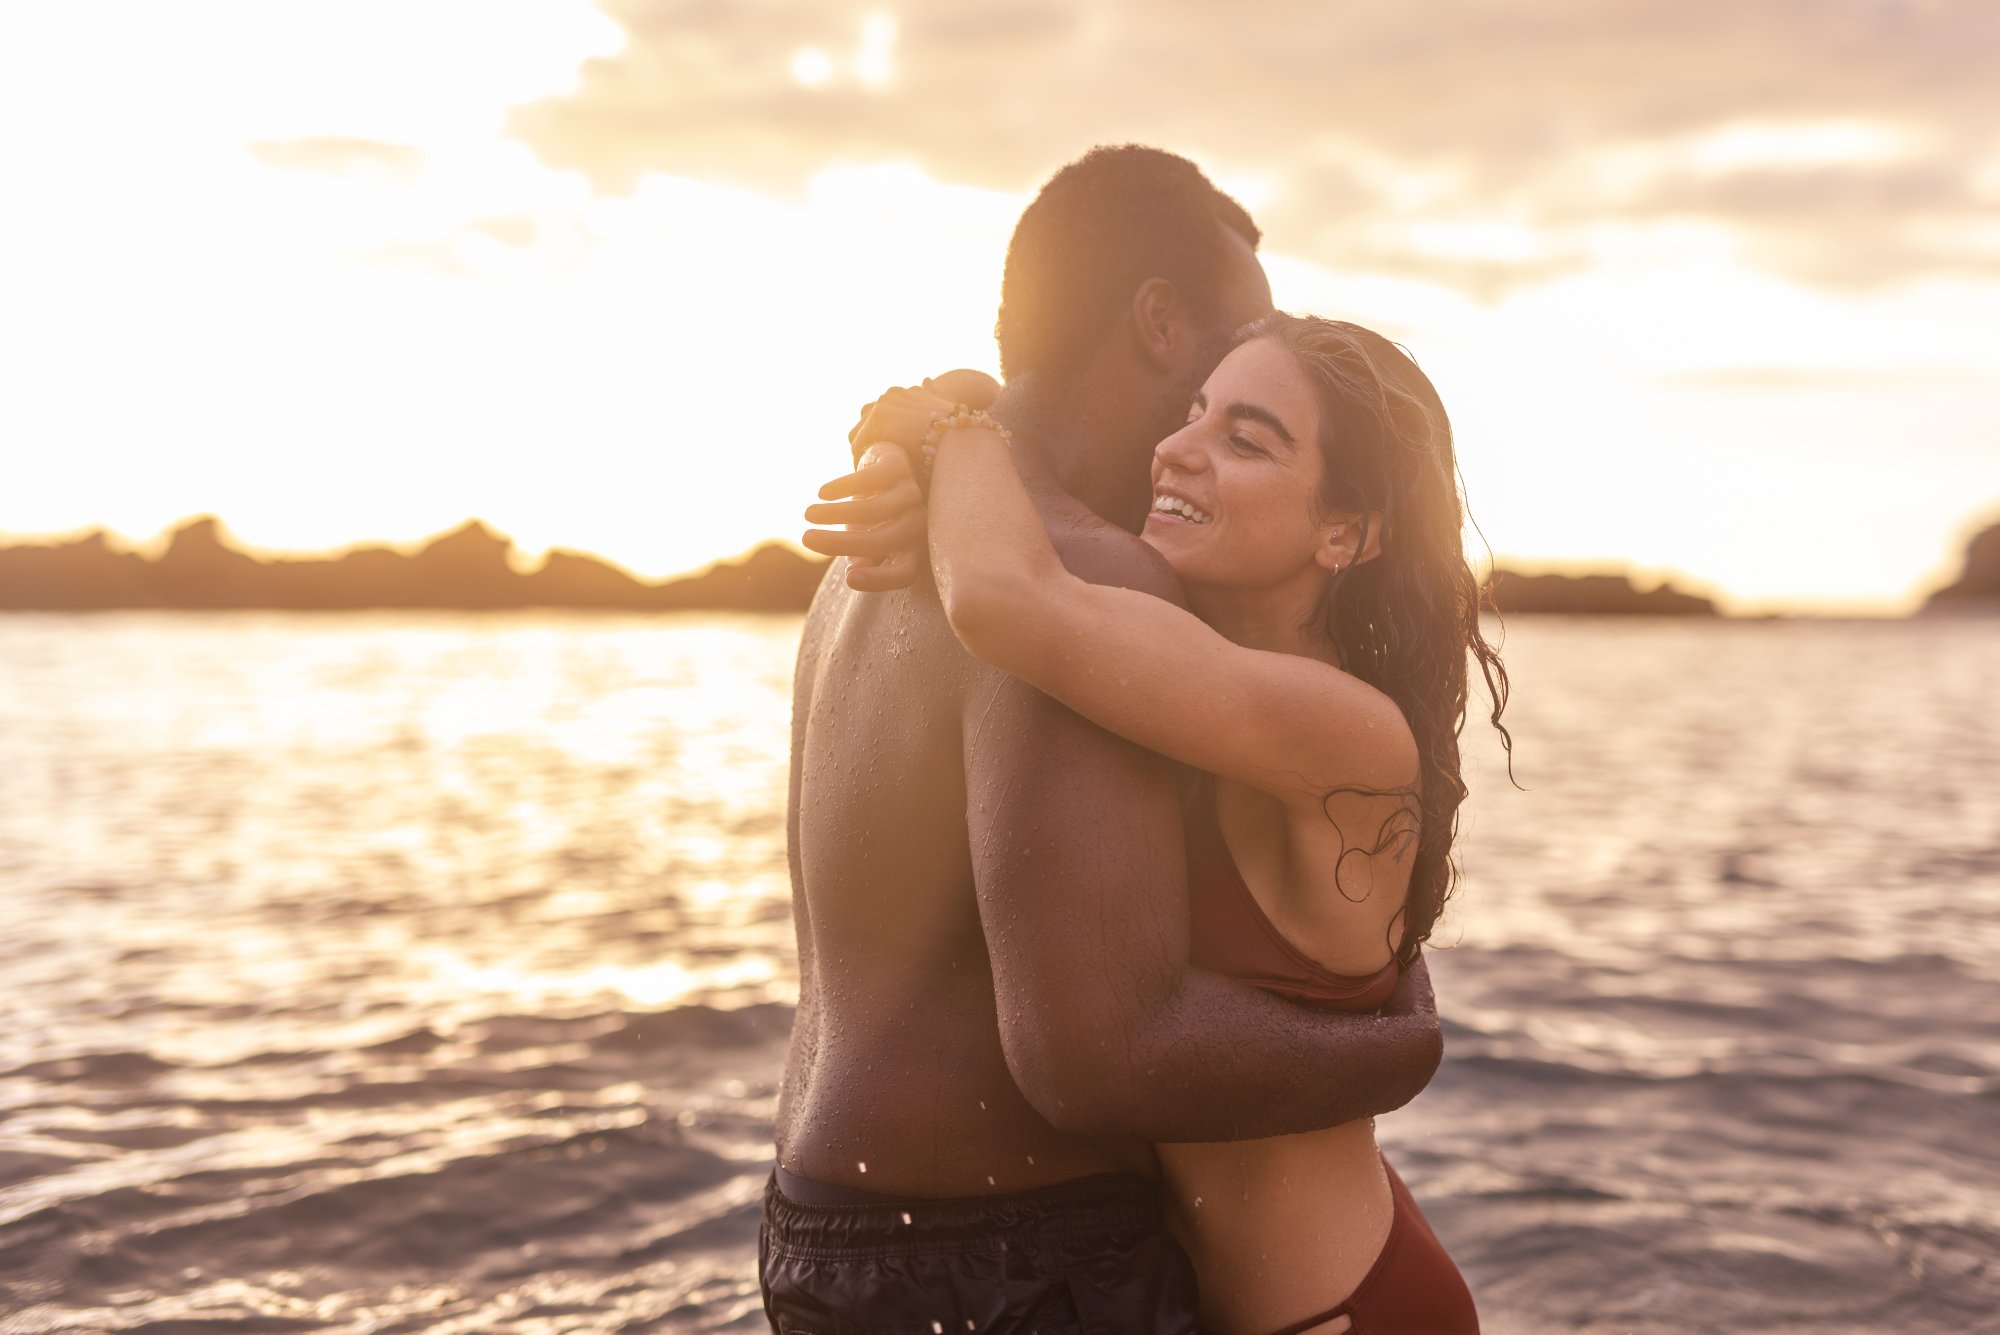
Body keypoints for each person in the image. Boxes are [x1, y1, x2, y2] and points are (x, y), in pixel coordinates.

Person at [765, 146, 1447, 1334]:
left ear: (1347, 529)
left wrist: (937, 421)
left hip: (822, 1232)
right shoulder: (1082, 573)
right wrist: (1396, 1048)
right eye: (1212, 391)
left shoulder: (873, 569)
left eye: (1250, 435)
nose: (1190, 445)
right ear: (1158, 323)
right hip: (1007, 1260)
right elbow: (1100, 1053)